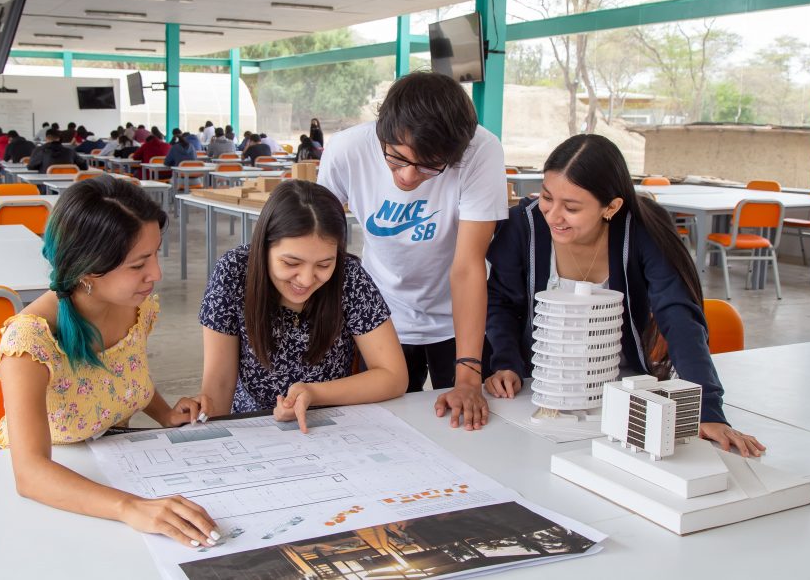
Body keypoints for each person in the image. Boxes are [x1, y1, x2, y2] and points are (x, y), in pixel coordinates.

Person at [485, 134, 766, 456]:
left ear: (611, 207)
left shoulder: (642, 228)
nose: (552, 215)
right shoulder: (524, 225)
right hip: (538, 391)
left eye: (571, 207)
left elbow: (677, 314)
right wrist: (505, 362)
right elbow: (501, 302)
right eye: (547, 197)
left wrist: (707, 410)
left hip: (622, 392)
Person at [0, 176, 220, 547]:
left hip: (112, 468)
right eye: (138, 264)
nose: (156, 274)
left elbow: (122, 376)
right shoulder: (31, 342)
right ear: (87, 270)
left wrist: (164, 414)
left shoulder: (134, 309)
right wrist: (130, 507)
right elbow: (30, 473)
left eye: (155, 253)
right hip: (50, 494)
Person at [318, 71, 508, 431]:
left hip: (457, 317)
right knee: (379, 428)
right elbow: (320, 243)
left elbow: (467, 266)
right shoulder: (347, 150)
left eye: (429, 166)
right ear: (382, 131)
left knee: (468, 427)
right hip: (380, 318)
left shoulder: (481, 151)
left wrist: (468, 378)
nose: (407, 177)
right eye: (396, 158)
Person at [199, 181, 407, 430]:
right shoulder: (233, 272)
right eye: (291, 263)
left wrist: (314, 393)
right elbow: (219, 383)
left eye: (324, 265)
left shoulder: (349, 277)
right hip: (254, 425)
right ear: (263, 247)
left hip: (330, 424)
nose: (306, 280)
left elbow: (393, 376)